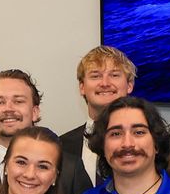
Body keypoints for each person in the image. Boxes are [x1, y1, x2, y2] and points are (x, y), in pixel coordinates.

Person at [58, 45, 135, 186]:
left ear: (129, 85)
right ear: (82, 87)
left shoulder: (151, 141)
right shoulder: (60, 146)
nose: (105, 83)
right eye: (95, 76)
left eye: (114, 75)